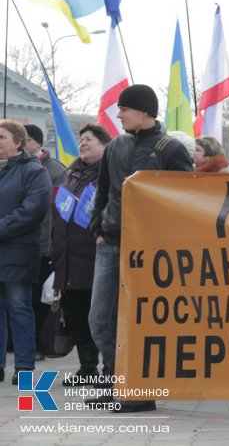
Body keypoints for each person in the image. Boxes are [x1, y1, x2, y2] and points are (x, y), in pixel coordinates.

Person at [87, 84, 193, 412]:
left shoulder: (171, 148)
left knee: (140, 322)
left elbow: (187, 200)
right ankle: (117, 380)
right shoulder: (116, 146)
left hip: (150, 249)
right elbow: (102, 192)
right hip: (112, 243)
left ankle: (139, 391)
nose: (118, 115)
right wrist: (98, 229)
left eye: (125, 109)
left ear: (145, 111)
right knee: (100, 319)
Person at [52, 124, 112, 386]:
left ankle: (109, 368)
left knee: (98, 315)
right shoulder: (72, 173)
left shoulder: (109, 173)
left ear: (104, 145)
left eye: (89, 139)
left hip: (94, 254)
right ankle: (87, 367)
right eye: (81, 140)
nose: (83, 144)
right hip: (68, 256)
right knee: (76, 313)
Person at [0, 120, 51, 384]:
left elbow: (31, 211)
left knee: (19, 307)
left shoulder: (34, 171)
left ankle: (23, 367)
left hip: (18, 251)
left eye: (1, 137)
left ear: (19, 142)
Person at [24, 124, 67, 361]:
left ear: (38, 143)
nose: (23, 144)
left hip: (45, 245)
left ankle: (41, 344)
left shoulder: (56, 171)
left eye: (27, 139)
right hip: (22, 243)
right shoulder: (14, 168)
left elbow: (60, 210)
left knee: (39, 299)